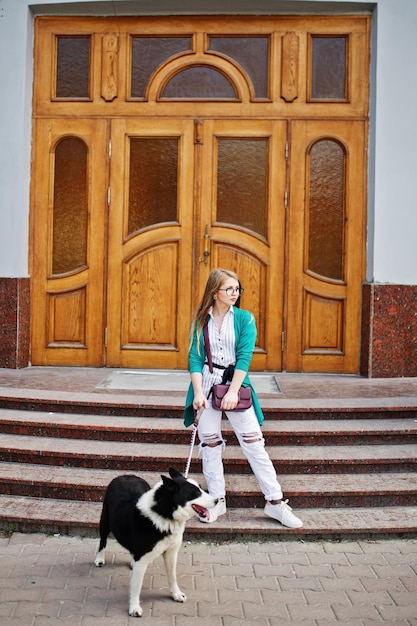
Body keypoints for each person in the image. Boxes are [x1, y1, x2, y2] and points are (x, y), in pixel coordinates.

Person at [183, 268, 303, 528]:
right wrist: (199, 394)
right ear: (215, 293)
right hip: (205, 385)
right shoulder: (200, 321)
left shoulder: (244, 319)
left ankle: (275, 503)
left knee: (253, 444)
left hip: (235, 386)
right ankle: (217, 501)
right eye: (229, 289)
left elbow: (245, 357)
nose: (234, 293)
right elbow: (194, 358)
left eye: (237, 289)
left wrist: (235, 391)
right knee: (210, 446)